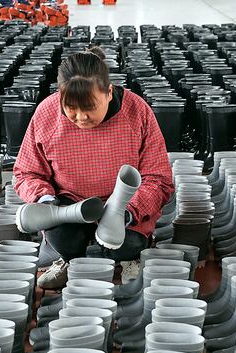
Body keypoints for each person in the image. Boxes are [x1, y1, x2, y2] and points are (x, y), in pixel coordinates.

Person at [14, 47, 174, 288]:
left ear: (109, 93)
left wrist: (127, 211)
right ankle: (69, 259)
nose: (80, 117)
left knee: (125, 244)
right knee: (63, 237)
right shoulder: (46, 113)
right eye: (71, 108)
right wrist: (45, 201)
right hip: (69, 205)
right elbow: (26, 172)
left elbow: (158, 178)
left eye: (89, 107)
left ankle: (130, 259)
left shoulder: (137, 111)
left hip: (122, 205)